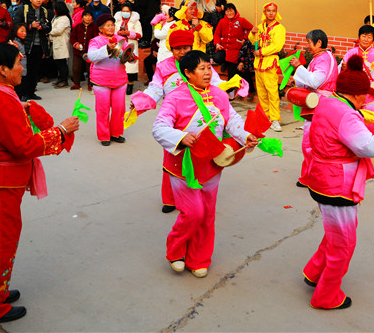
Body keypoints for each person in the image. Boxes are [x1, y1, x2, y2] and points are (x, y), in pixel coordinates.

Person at [0, 43, 79, 326]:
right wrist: (60, 130)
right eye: (17, 62)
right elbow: (23, 146)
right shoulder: (0, 99)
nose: (21, 67)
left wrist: (22, 109)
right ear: (3, 70)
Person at [300, 54, 374, 309]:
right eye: (365, 95)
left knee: (335, 233)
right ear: (356, 94)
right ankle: (326, 296)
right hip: (336, 184)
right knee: (344, 242)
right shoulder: (346, 114)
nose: (366, 100)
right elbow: (366, 146)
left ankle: (314, 272)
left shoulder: (328, 102)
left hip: (322, 178)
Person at [152, 50, 259, 277]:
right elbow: (159, 127)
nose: (208, 72)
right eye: (201, 69)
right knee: (193, 213)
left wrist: (246, 135)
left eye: (209, 67)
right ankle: (175, 250)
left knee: (208, 214)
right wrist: (181, 137)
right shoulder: (175, 97)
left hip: (212, 165)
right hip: (183, 167)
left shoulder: (219, 95)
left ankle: (199, 258)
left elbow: (232, 121)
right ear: (188, 73)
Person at [132, 29, 211, 213]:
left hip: (199, 119)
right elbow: (155, 88)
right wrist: (141, 101)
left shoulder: (201, 64)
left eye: (186, 48)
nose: (182, 52)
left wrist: (231, 86)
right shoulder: (164, 67)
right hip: (173, 119)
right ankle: (170, 199)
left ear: (192, 46)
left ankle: (195, 195)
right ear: (171, 49)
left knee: (199, 159)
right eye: (177, 48)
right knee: (172, 159)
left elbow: (214, 84)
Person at [291, 29, 339, 187]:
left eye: (309, 42)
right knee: (320, 143)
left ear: (319, 43)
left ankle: (311, 177)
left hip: (319, 105)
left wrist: (299, 67)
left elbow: (314, 81)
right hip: (324, 104)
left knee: (310, 143)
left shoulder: (322, 59)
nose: (307, 46)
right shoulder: (324, 56)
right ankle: (317, 176)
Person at [87, 14, 129, 146]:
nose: (111, 27)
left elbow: (129, 53)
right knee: (103, 109)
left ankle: (116, 133)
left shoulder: (121, 39)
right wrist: (106, 48)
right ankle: (104, 135)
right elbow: (92, 56)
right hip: (101, 81)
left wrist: (131, 56)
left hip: (120, 80)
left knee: (119, 109)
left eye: (112, 25)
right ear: (100, 28)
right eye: (108, 25)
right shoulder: (95, 41)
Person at [249, 2, 286, 132]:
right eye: (268, 10)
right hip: (258, 63)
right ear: (264, 12)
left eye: (273, 10)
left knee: (272, 92)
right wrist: (252, 33)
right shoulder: (260, 26)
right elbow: (253, 41)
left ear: (276, 12)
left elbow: (277, 46)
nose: (271, 13)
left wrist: (261, 52)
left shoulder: (279, 28)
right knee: (261, 92)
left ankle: (275, 119)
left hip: (270, 63)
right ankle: (265, 117)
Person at [13, 0, 51, 100]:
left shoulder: (44, 11)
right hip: (26, 44)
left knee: (35, 70)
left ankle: (31, 92)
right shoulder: (23, 9)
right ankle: (22, 93)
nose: (38, 0)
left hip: (40, 45)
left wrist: (43, 27)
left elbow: (49, 27)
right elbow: (16, 25)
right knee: (24, 70)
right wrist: (30, 26)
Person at [341, 25, 374, 115]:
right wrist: (343, 68)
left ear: (373, 39)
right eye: (363, 36)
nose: (366, 39)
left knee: (369, 120)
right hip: (353, 94)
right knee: (352, 119)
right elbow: (341, 70)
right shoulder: (351, 53)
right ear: (359, 37)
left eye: (369, 37)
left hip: (371, 96)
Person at [213, 3, 253, 80]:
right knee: (216, 58)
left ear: (235, 11)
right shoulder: (222, 21)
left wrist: (245, 38)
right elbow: (217, 34)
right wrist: (217, 44)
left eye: (231, 11)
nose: (229, 13)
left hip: (235, 50)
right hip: (224, 48)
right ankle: (225, 62)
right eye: (227, 11)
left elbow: (251, 29)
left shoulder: (241, 20)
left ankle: (227, 67)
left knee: (232, 71)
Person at [113, 3, 142, 95]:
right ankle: (120, 84)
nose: (125, 13)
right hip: (120, 45)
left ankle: (130, 84)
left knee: (131, 66)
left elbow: (139, 34)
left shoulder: (136, 21)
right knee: (119, 64)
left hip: (131, 44)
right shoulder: (117, 21)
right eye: (123, 11)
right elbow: (113, 32)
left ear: (131, 12)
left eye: (127, 11)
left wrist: (128, 33)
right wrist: (118, 33)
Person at [70, 10, 98, 91]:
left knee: (90, 69)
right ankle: (76, 83)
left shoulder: (95, 27)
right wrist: (76, 44)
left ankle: (90, 84)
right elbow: (72, 37)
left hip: (90, 52)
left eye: (89, 16)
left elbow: (97, 39)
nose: (87, 18)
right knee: (76, 68)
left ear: (92, 17)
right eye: (85, 16)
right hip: (78, 52)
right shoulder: (78, 27)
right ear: (82, 18)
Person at [49, 1, 72, 89]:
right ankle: (60, 79)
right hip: (57, 42)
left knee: (62, 63)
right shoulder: (57, 18)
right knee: (58, 62)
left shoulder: (64, 19)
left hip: (62, 43)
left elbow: (58, 30)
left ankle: (64, 80)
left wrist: (49, 31)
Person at [8, 24, 29, 101]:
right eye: (21, 31)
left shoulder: (19, 42)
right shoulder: (14, 43)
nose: (24, 33)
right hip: (18, 70)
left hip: (22, 69)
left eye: (25, 31)